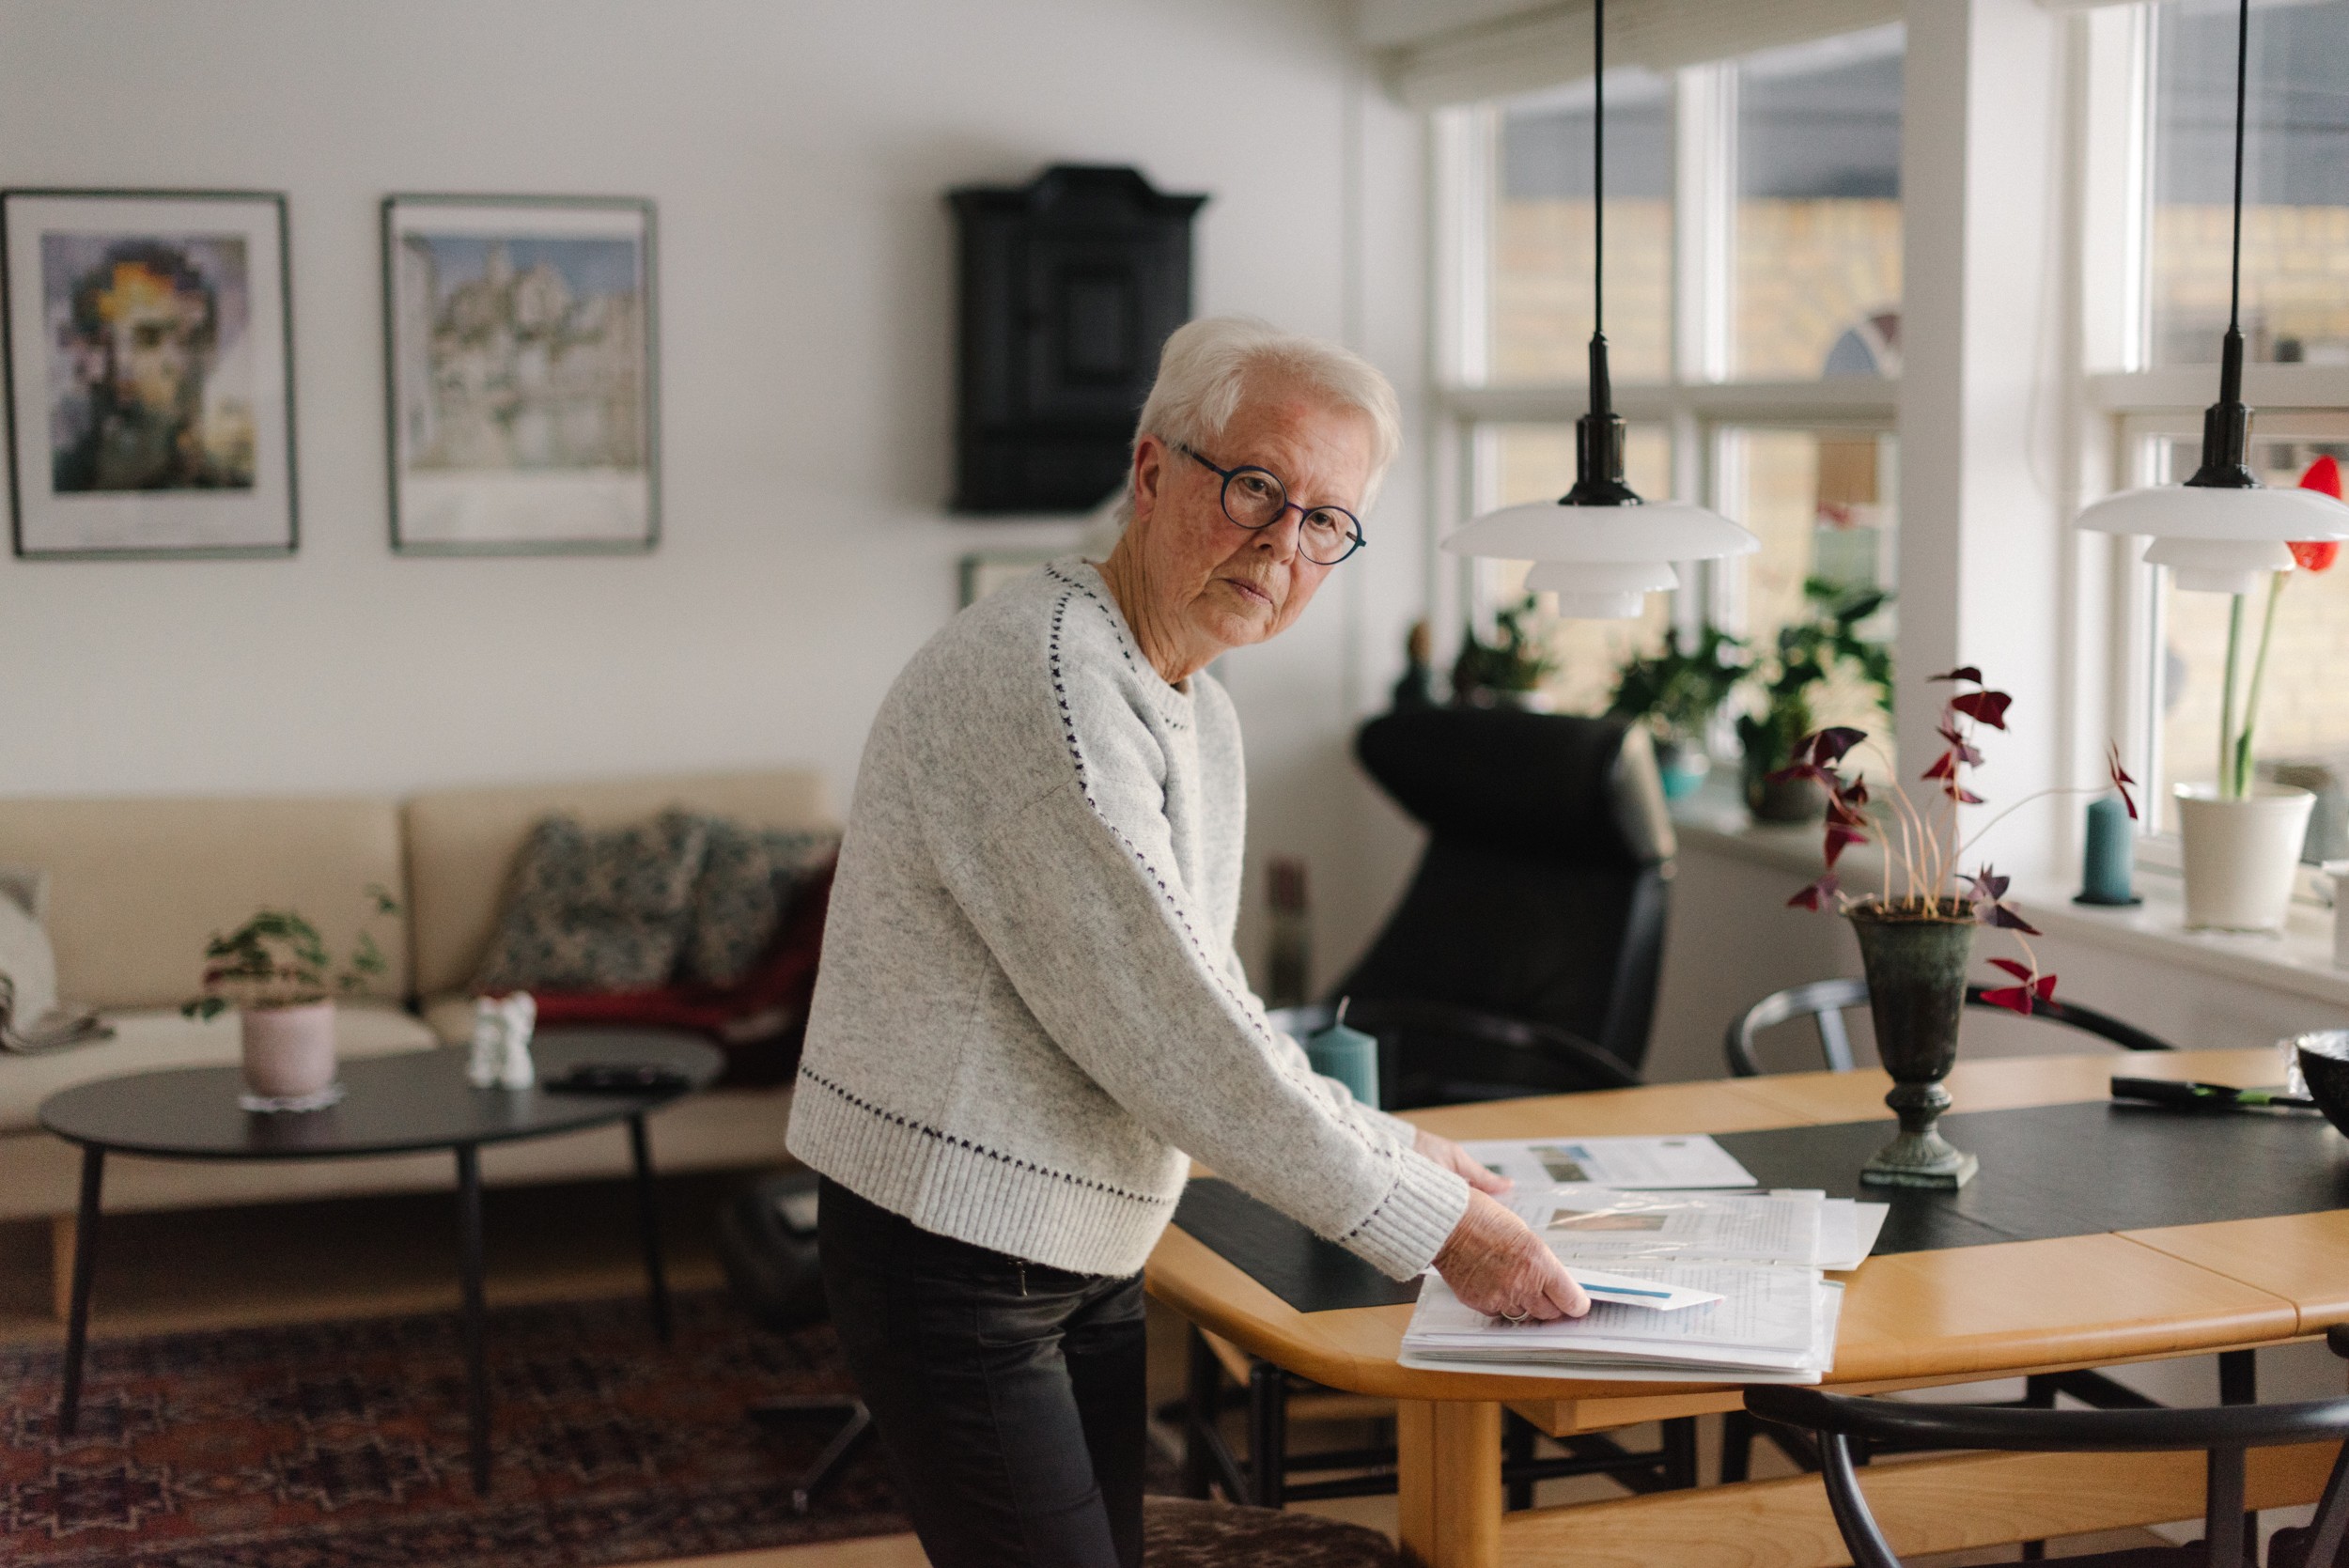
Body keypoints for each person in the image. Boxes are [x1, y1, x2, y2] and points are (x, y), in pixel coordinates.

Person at [786, 316, 1588, 1568]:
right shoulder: (1042, 678)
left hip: (1082, 1242)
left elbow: (1197, 1000)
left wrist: (1389, 1140)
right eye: (1256, 486)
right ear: (1153, 472)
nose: (1284, 541)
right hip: (953, 1248)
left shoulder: (1191, 703)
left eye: (1327, 518)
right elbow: (1174, 1029)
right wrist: (1437, 1223)